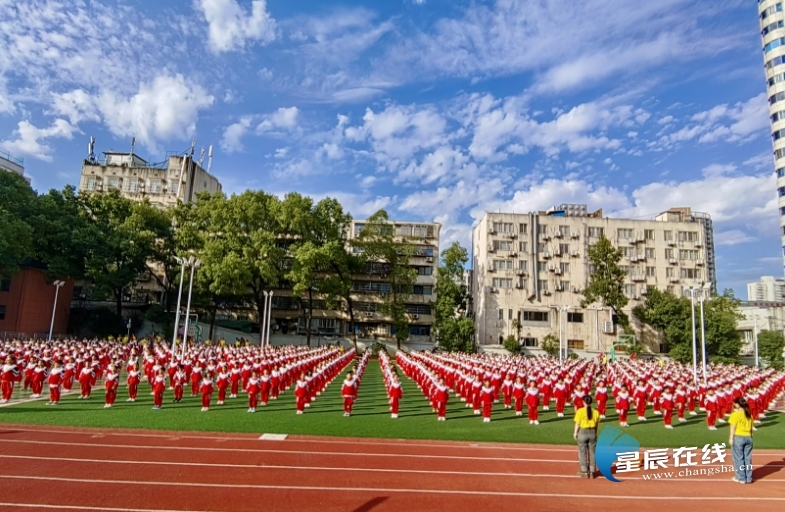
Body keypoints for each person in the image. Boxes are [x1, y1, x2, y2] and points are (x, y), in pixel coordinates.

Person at [574, 395, 601, 479]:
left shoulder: (580, 411)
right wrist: (595, 433)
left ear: (583, 402)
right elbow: (596, 424)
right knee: (592, 452)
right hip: (592, 431)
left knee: (582, 452)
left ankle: (584, 471)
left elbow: (577, 424)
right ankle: (592, 471)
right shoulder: (595, 412)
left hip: (583, 432)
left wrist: (575, 433)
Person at [729, 397, 754, 484]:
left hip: (739, 437)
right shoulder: (749, 415)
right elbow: (751, 429)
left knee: (738, 458)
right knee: (747, 458)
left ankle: (741, 477)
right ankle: (748, 477)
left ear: (737, 405)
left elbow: (733, 427)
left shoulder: (735, 414)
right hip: (749, 437)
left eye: (735, 403)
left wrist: (731, 438)